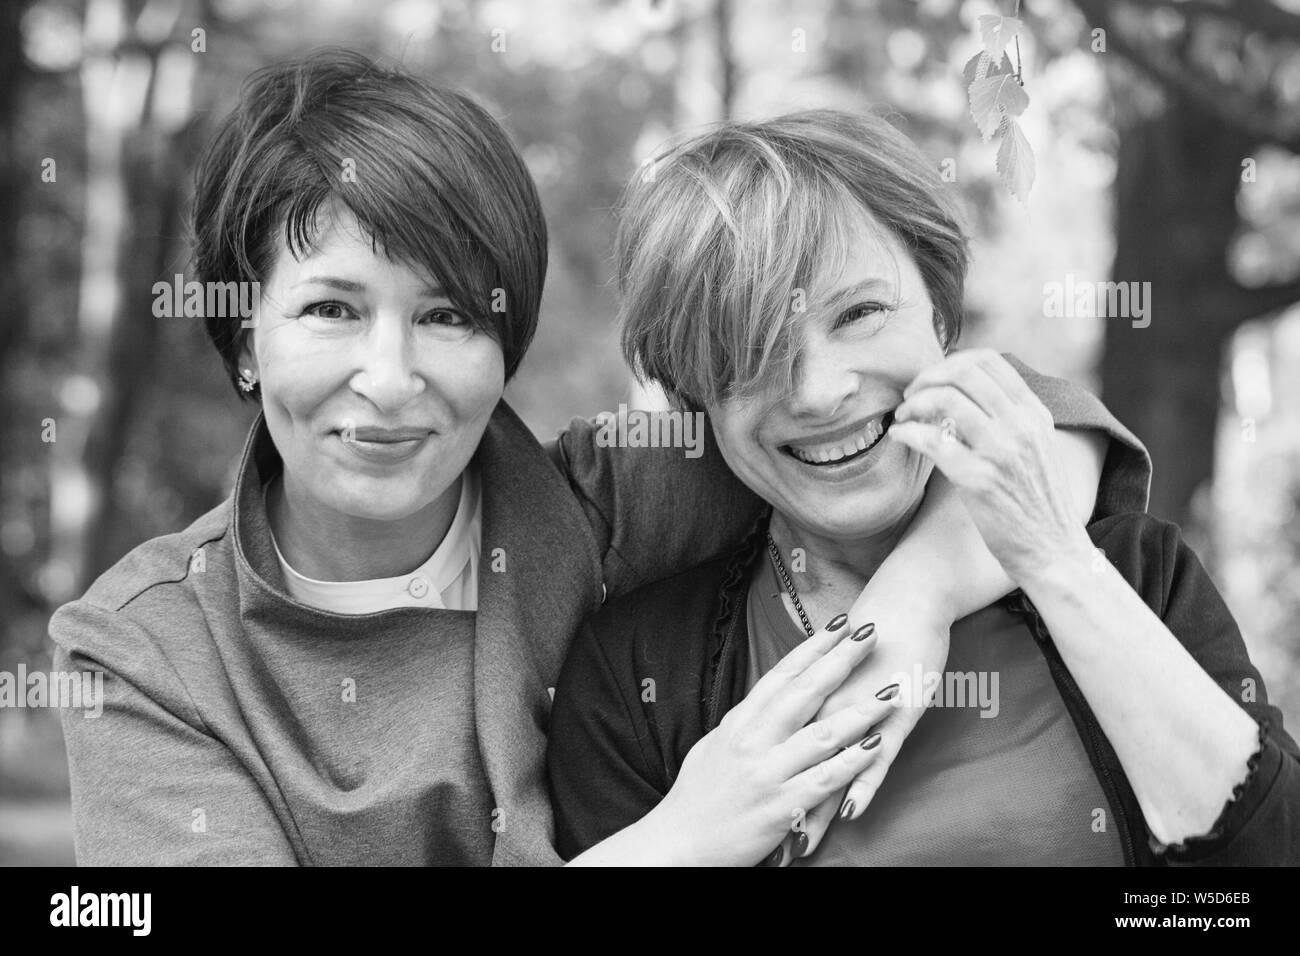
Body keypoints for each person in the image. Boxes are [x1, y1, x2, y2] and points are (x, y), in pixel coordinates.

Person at [50, 53, 1147, 866]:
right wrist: (683, 838)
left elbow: (1027, 423)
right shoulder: (147, 649)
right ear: (245, 338)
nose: (389, 378)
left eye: (444, 316)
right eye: (332, 308)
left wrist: (911, 603)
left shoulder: (600, 503)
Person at [548, 109, 1300, 865]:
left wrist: (1052, 561)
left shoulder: (1132, 573)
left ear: (940, 313)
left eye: (861, 313)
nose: (816, 392)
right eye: (749, 348)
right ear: (693, 396)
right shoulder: (636, 677)